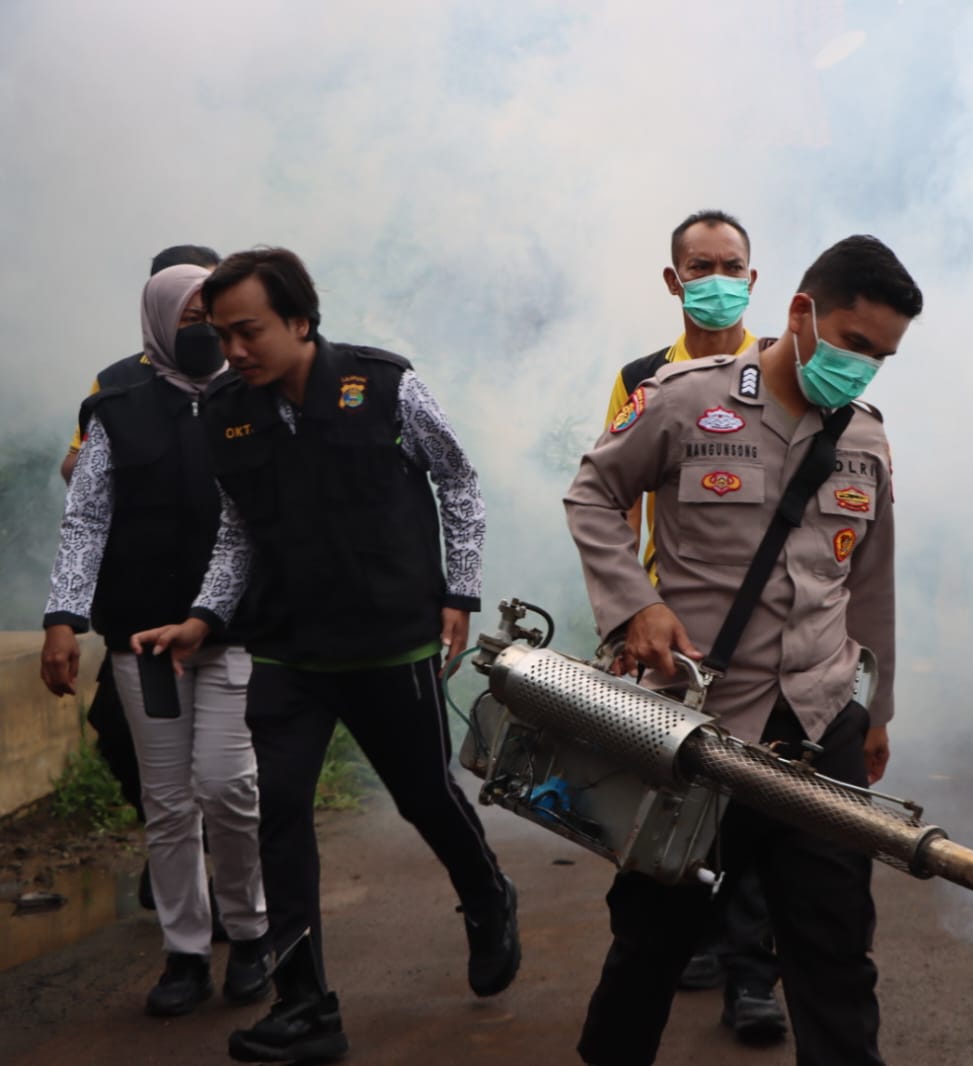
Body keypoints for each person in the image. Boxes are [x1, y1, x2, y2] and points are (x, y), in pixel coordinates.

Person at [131, 247, 520, 1064]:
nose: (233, 351)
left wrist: (460, 591)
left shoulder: (384, 386)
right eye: (219, 334)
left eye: (249, 332)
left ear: (301, 320)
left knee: (423, 796)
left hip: (388, 642)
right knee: (278, 815)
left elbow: (459, 482)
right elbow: (239, 531)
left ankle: (486, 895)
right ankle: (306, 1005)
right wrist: (203, 618)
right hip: (285, 651)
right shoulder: (225, 410)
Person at [566, 234, 923, 1065]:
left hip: (820, 726)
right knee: (651, 945)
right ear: (800, 313)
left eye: (882, 355)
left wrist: (877, 713)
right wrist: (635, 608)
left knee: (835, 954)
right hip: (699, 732)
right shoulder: (687, 399)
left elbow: (871, 588)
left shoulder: (864, 438)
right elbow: (592, 494)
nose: (864, 367)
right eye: (853, 342)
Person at [40, 263, 270, 1017]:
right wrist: (62, 620)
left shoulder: (254, 394)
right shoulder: (116, 407)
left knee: (228, 787)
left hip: (234, 629)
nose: (205, 330)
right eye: (191, 315)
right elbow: (87, 519)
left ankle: (251, 933)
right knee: (169, 802)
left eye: (216, 315)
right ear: (159, 318)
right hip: (141, 635)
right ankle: (183, 954)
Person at [603, 208, 786, 1044]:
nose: (717, 280)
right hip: (667, 630)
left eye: (732, 266)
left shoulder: (784, 375)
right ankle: (703, 943)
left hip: (761, 632)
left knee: (754, 797)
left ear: (753, 279)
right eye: (700, 267)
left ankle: (756, 977)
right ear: (674, 281)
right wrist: (630, 609)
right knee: (676, 793)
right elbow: (612, 495)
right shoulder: (642, 378)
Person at [61, 244, 223, 913]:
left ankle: (234, 887)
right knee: (121, 736)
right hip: (143, 601)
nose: (202, 326)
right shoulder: (115, 386)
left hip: (231, 604)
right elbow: (78, 480)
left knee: (233, 767)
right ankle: (175, 853)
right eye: (187, 311)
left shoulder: (244, 373)